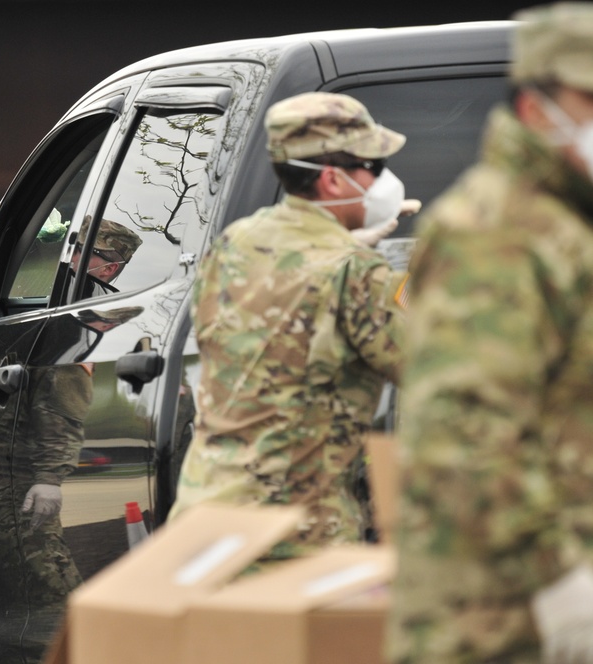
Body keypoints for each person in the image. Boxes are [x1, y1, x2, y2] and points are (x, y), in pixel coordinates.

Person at [387, 4, 593, 662]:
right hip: (497, 616)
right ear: (537, 107)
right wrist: (561, 577)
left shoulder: (564, 225)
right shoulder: (497, 231)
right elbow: (463, 433)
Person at [168, 92, 408, 560]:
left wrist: (345, 249)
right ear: (335, 180)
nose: (383, 179)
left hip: (205, 523)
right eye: (374, 167)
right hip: (296, 540)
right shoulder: (357, 271)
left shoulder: (237, 241)